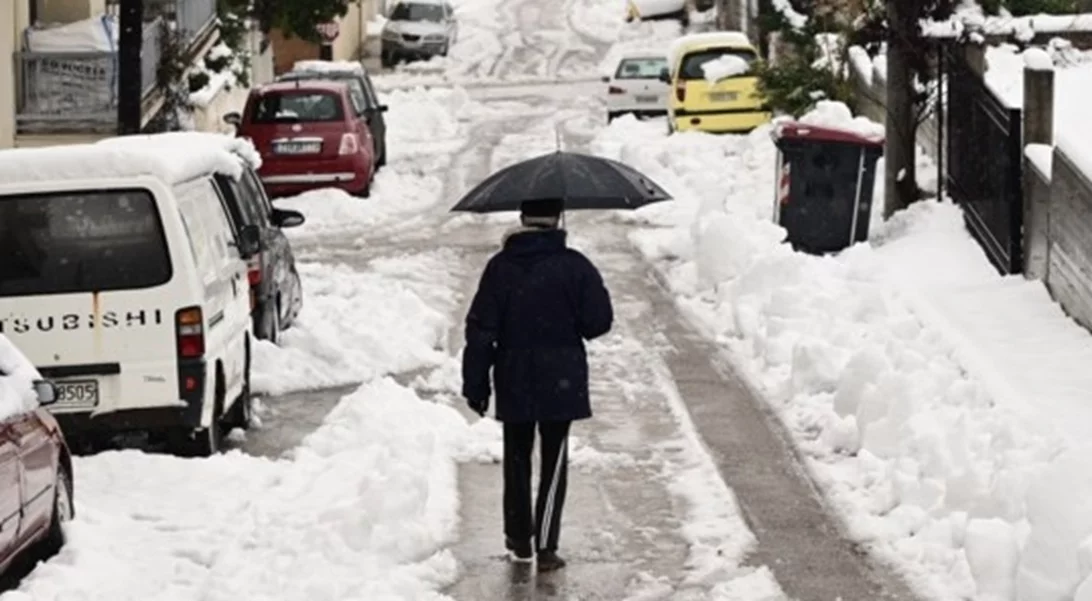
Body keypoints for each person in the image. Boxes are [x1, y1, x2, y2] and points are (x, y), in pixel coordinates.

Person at [461, 198, 614, 572]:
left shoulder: (500, 268)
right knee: (554, 461)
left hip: (513, 374)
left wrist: (476, 384)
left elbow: (480, 331)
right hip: (561, 378)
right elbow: (598, 323)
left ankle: (519, 539)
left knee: (516, 458)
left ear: (522, 219)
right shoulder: (575, 266)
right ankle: (547, 546)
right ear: (557, 219)